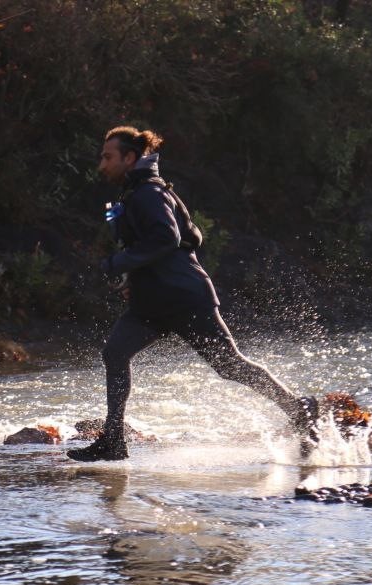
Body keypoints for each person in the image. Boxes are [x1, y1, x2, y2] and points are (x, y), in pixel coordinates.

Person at [67, 125, 319, 462]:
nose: (102, 164)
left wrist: (117, 263)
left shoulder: (149, 194)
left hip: (185, 298)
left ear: (129, 158)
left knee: (230, 366)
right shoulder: (136, 193)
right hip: (152, 302)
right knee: (115, 353)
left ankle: (300, 411)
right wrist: (132, 276)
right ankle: (113, 441)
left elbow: (167, 239)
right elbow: (180, 239)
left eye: (107, 157)